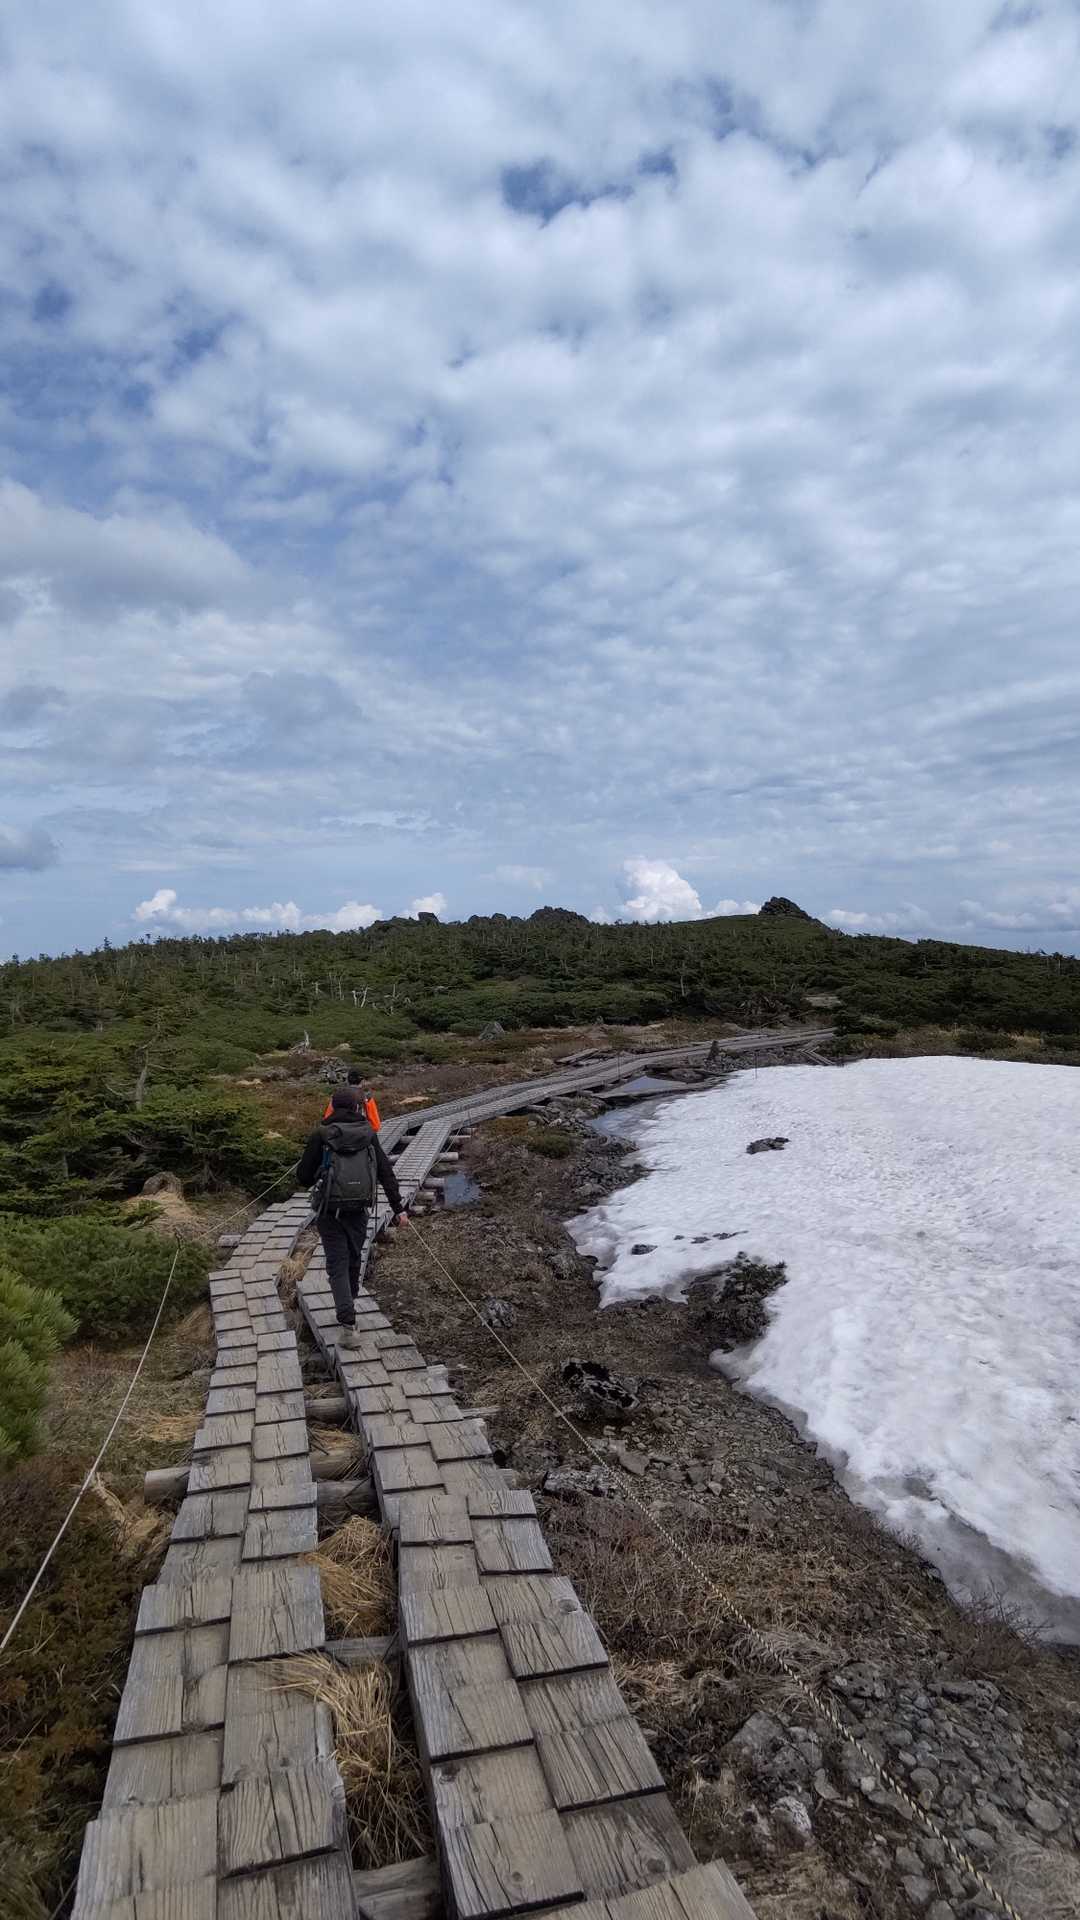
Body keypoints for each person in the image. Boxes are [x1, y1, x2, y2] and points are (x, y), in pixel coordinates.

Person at [297, 1087, 407, 1346]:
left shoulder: (321, 1134)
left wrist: (319, 1173)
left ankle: (348, 1324)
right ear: (358, 1108)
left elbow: (303, 1177)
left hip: (329, 1210)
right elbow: (385, 1171)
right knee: (354, 1259)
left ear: (333, 1107)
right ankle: (349, 1305)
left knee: (337, 1263)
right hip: (359, 1209)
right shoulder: (368, 1134)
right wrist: (398, 1207)